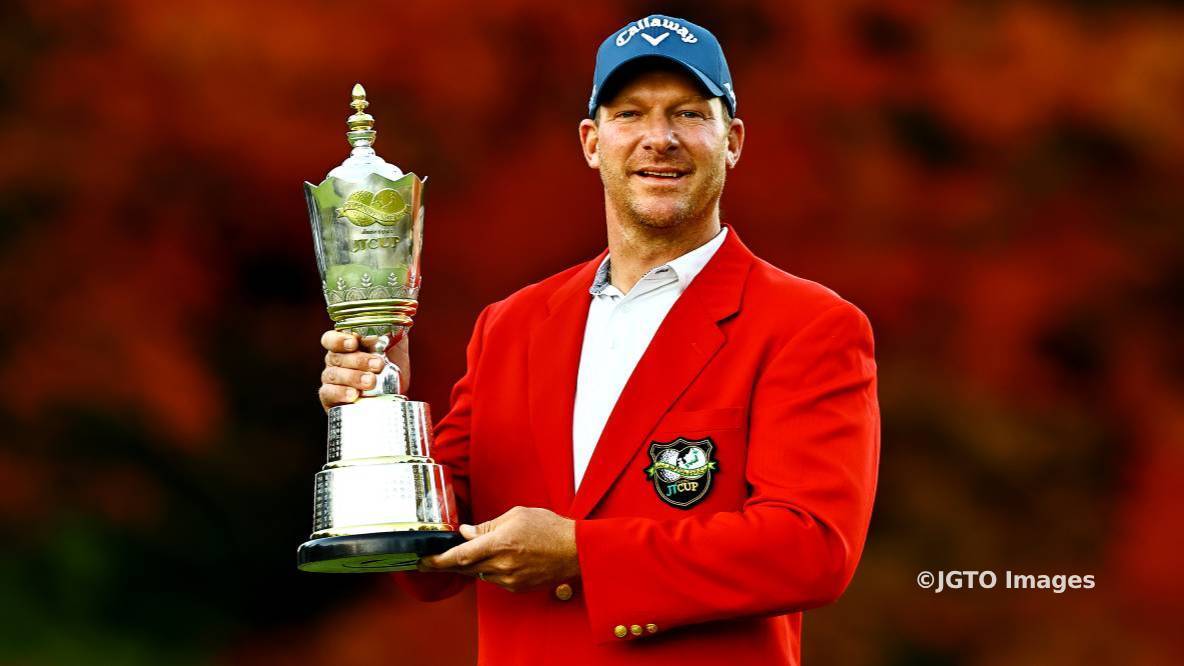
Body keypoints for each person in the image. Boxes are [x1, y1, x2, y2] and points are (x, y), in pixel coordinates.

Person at [317, 14, 879, 666]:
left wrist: (581, 554)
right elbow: (427, 561)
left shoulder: (808, 325)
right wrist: (382, 413)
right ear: (592, 141)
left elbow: (811, 549)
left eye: (689, 114)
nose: (659, 138)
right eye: (630, 114)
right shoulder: (510, 327)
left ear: (733, 141)